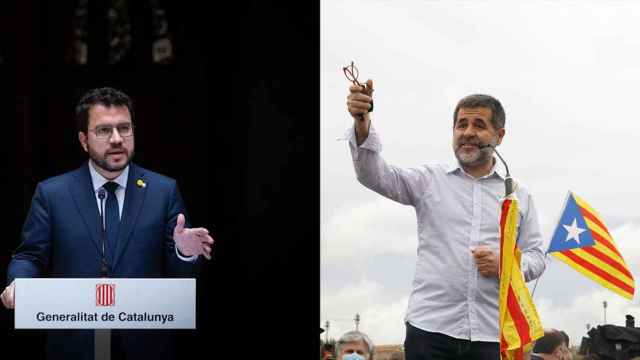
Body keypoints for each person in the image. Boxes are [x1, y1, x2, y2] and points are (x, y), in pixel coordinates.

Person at [0, 87, 214, 360]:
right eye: (103, 131)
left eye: (124, 128)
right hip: (75, 343)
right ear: (83, 140)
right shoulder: (52, 194)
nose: (116, 139)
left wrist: (184, 253)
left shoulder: (163, 191)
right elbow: (30, 255)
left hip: (146, 344)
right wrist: (21, 283)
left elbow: (182, 279)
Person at [344, 80, 546, 360]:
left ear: (499, 136)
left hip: (492, 333)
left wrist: (506, 264)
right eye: (461, 125)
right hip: (430, 330)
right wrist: (362, 124)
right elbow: (373, 176)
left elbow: (537, 256)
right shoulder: (429, 179)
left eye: (478, 125)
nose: (468, 133)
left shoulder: (517, 194)